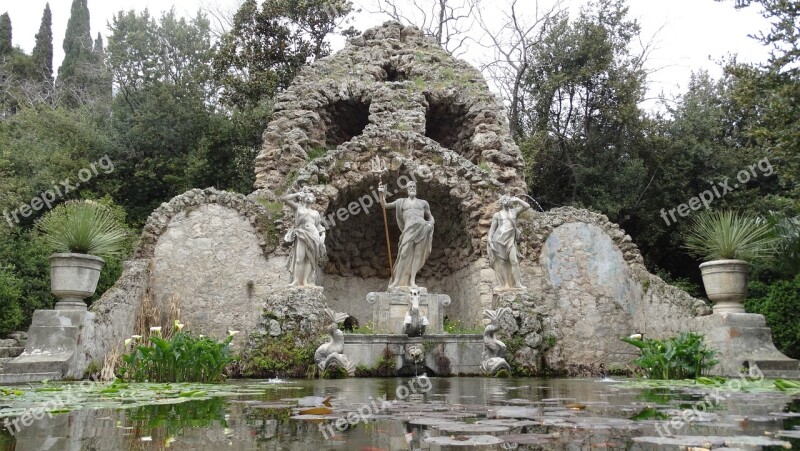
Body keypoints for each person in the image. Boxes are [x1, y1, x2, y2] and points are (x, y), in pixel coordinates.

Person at [378, 181, 434, 290]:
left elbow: (430, 217)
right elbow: (384, 205)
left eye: (414, 186)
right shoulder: (401, 202)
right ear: (407, 190)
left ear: (416, 189)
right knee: (403, 254)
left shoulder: (423, 203)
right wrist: (381, 194)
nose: (412, 188)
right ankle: (397, 281)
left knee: (417, 255)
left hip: (422, 229)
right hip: (408, 230)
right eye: (410, 187)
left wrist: (430, 224)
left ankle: (412, 281)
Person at [282, 189, 326, 287]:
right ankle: (296, 280)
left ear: (314, 200)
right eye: (307, 195)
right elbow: (285, 199)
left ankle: (306, 281)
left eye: (311, 196)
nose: (309, 196)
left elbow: (319, 226)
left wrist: (323, 236)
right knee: (299, 259)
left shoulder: (315, 213)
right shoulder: (298, 208)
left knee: (309, 259)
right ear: (304, 198)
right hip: (301, 234)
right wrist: (297, 194)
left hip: (314, 236)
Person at [487, 194, 531, 290]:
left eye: (508, 199)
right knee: (502, 263)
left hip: (510, 240)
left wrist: (518, 200)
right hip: (498, 240)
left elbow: (527, 206)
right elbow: (492, 229)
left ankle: (517, 283)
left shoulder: (514, 212)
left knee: (514, 261)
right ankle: (505, 284)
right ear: (501, 202)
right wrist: (490, 240)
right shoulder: (497, 215)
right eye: (504, 199)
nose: (507, 200)